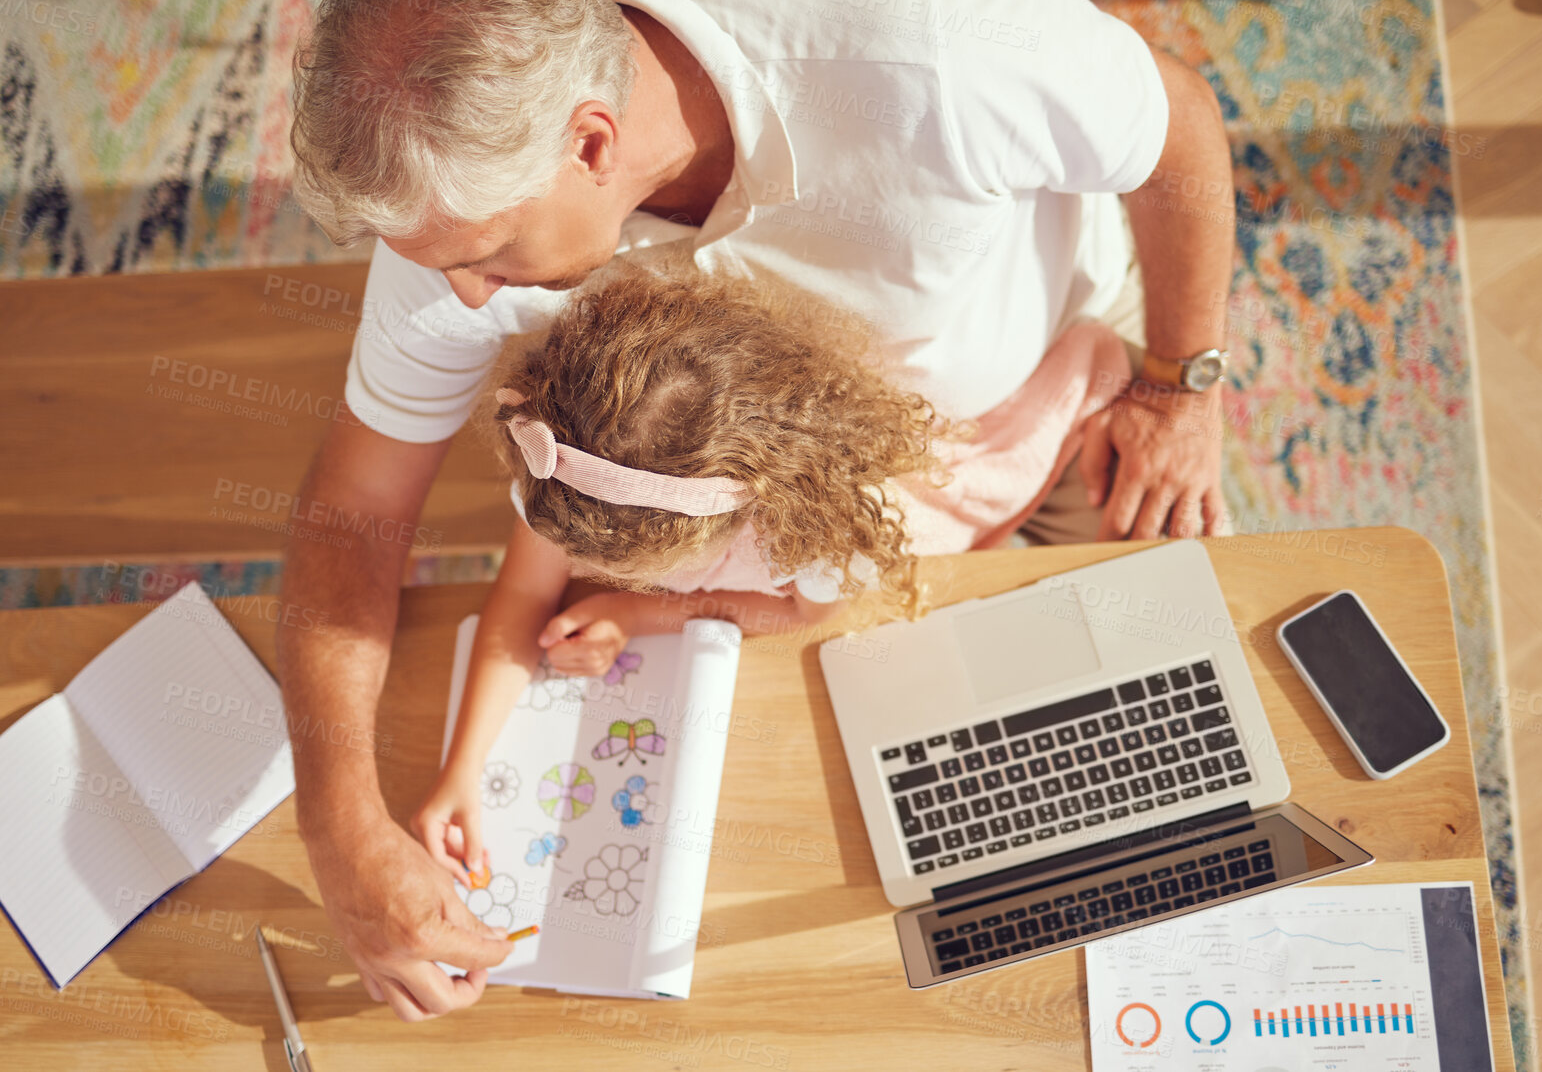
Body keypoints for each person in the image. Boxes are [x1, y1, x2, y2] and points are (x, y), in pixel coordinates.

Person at [283, 0, 1236, 1019]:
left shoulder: (924, 44)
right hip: (795, 506)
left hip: (1066, 393)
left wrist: (1177, 386)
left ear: (589, 143)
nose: (463, 302)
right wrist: (341, 825)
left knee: (1181, 726)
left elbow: (1178, 130)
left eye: (491, 255)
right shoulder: (456, 185)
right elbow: (354, 513)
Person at [413, 265, 1131, 888]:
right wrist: (460, 772)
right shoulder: (570, 465)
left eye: (616, 568)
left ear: (711, 534)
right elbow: (520, 592)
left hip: (956, 480)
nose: (584, 566)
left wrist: (639, 616)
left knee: (1078, 569)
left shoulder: (816, 542)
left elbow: (801, 615)